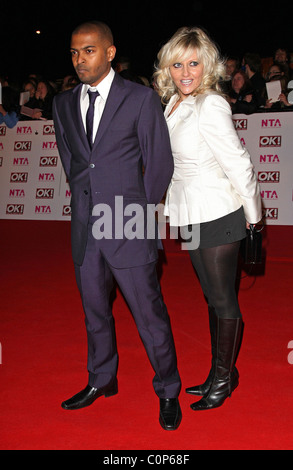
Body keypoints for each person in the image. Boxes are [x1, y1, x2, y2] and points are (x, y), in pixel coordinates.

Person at [52, 20, 182, 430]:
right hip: (85, 228)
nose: (79, 60)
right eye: (74, 52)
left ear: (109, 53)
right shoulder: (63, 103)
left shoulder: (141, 99)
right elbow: (72, 160)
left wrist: (139, 218)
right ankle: (101, 379)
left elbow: (160, 163)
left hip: (128, 225)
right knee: (95, 314)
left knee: (149, 315)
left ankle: (167, 389)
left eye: (88, 50)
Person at [154, 26, 262, 411]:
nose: (186, 72)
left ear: (208, 66)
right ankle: (223, 372)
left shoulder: (210, 104)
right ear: (168, 67)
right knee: (211, 299)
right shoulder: (173, 104)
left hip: (218, 212)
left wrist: (255, 220)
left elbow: (239, 163)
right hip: (188, 213)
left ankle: (223, 379)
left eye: (194, 63)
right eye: (178, 64)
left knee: (223, 300)